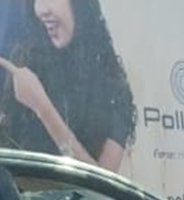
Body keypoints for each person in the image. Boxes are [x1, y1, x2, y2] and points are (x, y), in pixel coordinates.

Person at [0, 0, 135, 171]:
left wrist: (42, 107)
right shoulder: (26, 65)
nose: (41, 9)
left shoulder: (113, 88)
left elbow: (103, 185)